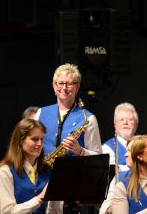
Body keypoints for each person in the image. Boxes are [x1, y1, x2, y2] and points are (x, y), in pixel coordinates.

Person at [35, 63, 102, 214]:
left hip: (71, 188)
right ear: (54, 86)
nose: (64, 88)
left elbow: (99, 159)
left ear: (77, 87)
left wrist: (79, 151)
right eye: (60, 83)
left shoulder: (89, 119)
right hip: (42, 180)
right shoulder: (40, 113)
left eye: (70, 84)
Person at [0, 118, 61, 214]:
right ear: (21, 140)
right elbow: (8, 212)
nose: (40, 144)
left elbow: (54, 210)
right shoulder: (5, 172)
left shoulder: (49, 171)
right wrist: (39, 198)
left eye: (41, 139)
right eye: (34, 139)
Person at [102, 102, 138, 172]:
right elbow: (112, 172)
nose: (125, 122)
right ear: (115, 125)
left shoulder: (144, 145)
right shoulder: (106, 148)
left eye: (130, 119)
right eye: (121, 119)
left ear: (136, 124)